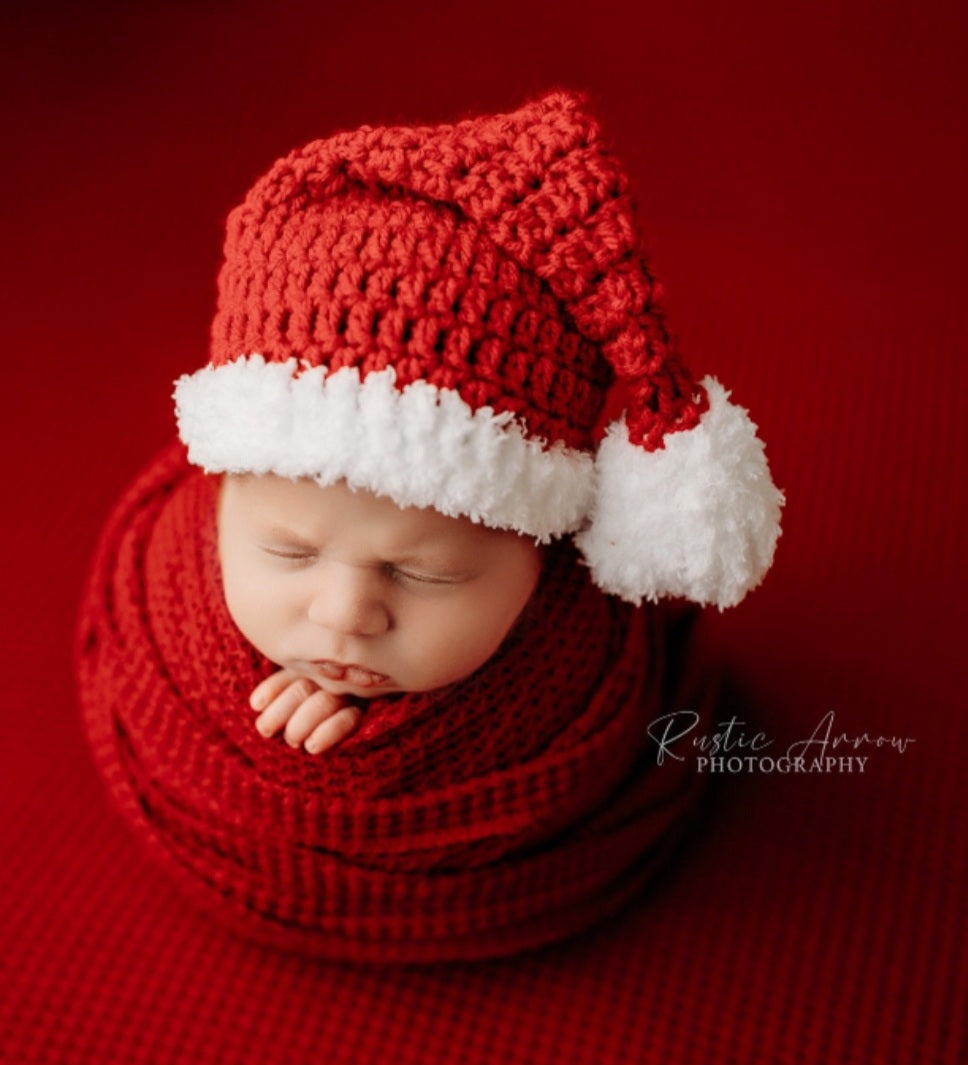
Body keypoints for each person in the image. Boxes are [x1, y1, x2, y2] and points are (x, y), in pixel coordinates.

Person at [76, 90, 783, 964]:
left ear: (545, 547)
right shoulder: (170, 574)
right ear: (220, 490)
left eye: (424, 574)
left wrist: (422, 736)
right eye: (288, 551)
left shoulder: (586, 658)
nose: (344, 615)